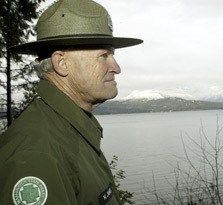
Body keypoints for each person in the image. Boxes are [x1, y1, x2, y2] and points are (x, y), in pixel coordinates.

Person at [0, 0, 142, 204]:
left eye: (113, 56)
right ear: (61, 63)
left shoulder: (69, 129)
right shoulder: (37, 154)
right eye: (104, 56)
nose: (116, 68)